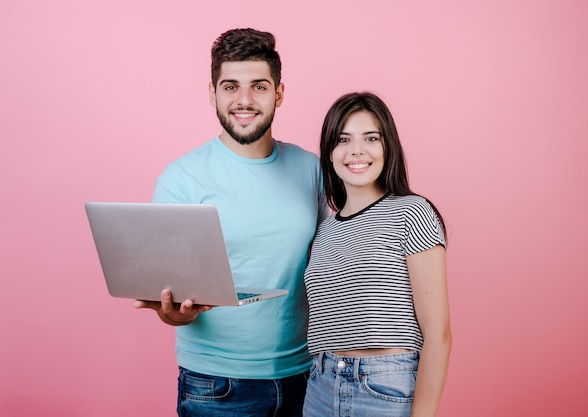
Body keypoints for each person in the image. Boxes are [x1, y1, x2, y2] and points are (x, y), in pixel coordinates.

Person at [134, 28, 326, 417]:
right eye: (230, 87)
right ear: (212, 93)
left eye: (258, 86)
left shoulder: (312, 170)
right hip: (218, 386)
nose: (244, 100)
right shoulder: (181, 179)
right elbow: (166, 293)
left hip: (306, 378)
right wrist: (171, 311)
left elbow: (331, 257)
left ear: (279, 93)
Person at [303, 92, 452, 417]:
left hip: (383, 388)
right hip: (319, 387)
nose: (356, 150)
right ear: (329, 152)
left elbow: (438, 336)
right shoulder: (323, 232)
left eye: (371, 138)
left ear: (388, 148)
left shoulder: (412, 212)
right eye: (343, 139)